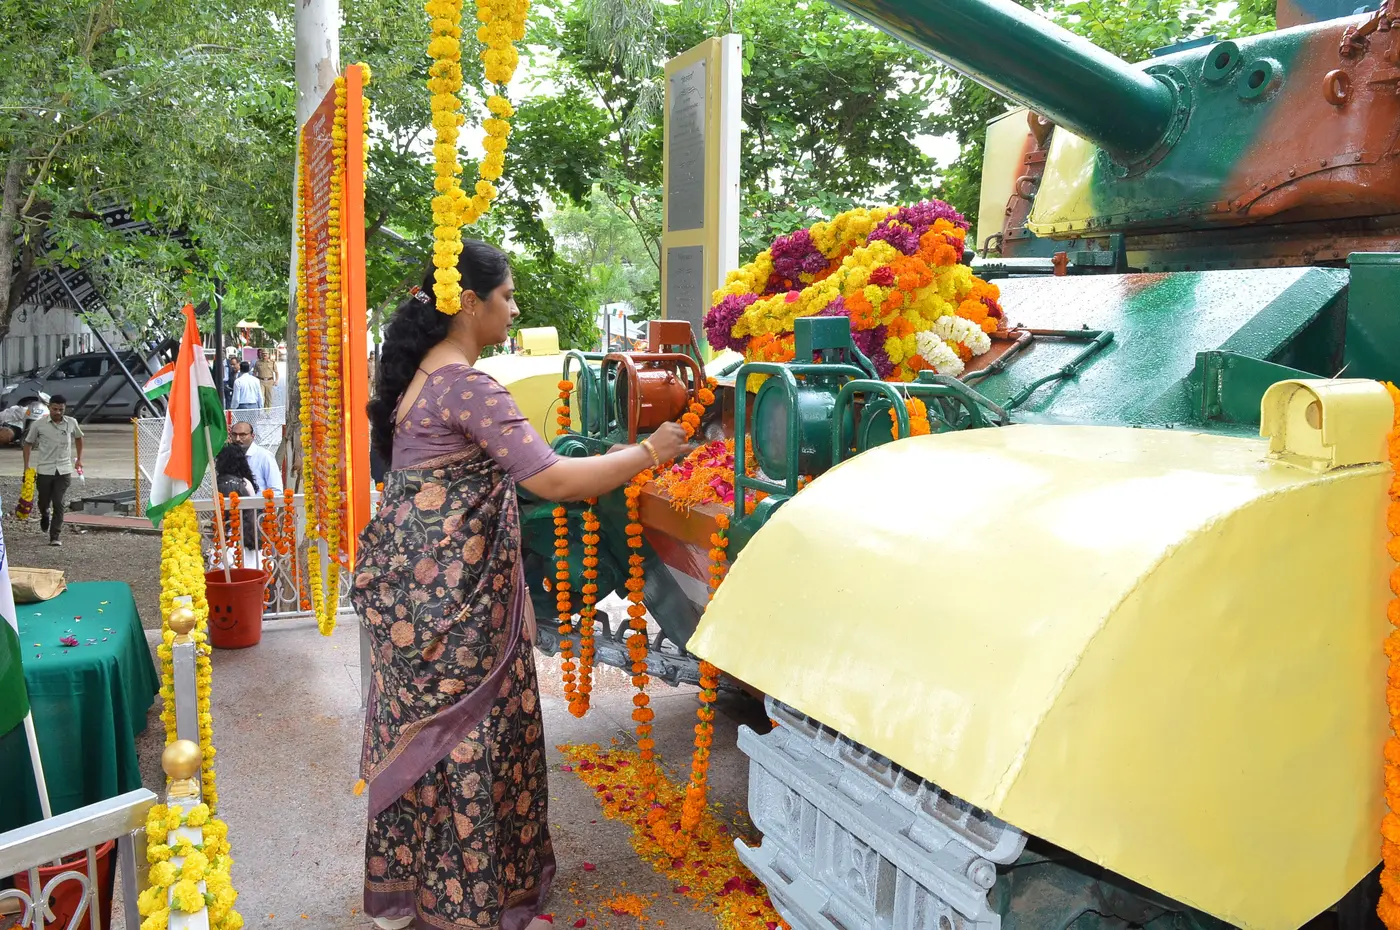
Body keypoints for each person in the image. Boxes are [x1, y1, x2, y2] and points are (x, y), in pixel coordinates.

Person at [353, 240, 691, 930]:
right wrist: (651, 451)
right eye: (506, 296)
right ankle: (473, 902)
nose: (515, 308)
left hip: (422, 601)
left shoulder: (420, 376)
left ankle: (424, 892)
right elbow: (555, 480)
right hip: (458, 606)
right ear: (469, 304)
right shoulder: (466, 386)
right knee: (471, 739)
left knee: (438, 739)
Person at [22, 395, 84, 547]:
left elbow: (79, 438)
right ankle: (44, 513)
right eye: (55, 409)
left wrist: (79, 459)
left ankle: (55, 536)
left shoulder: (71, 422)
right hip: (45, 469)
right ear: (49, 407)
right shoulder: (39, 424)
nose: (58, 412)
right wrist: (26, 466)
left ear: (65, 408)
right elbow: (28, 443)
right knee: (43, 501)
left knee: (59, 502)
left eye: (61, 410)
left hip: (63, 470)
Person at [227, 421, 283, 494]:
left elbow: (276, 490)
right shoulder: (228, 457)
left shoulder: (264, 456)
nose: (237, 439)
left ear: (252, 436)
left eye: (242, 435)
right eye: (234, 434)